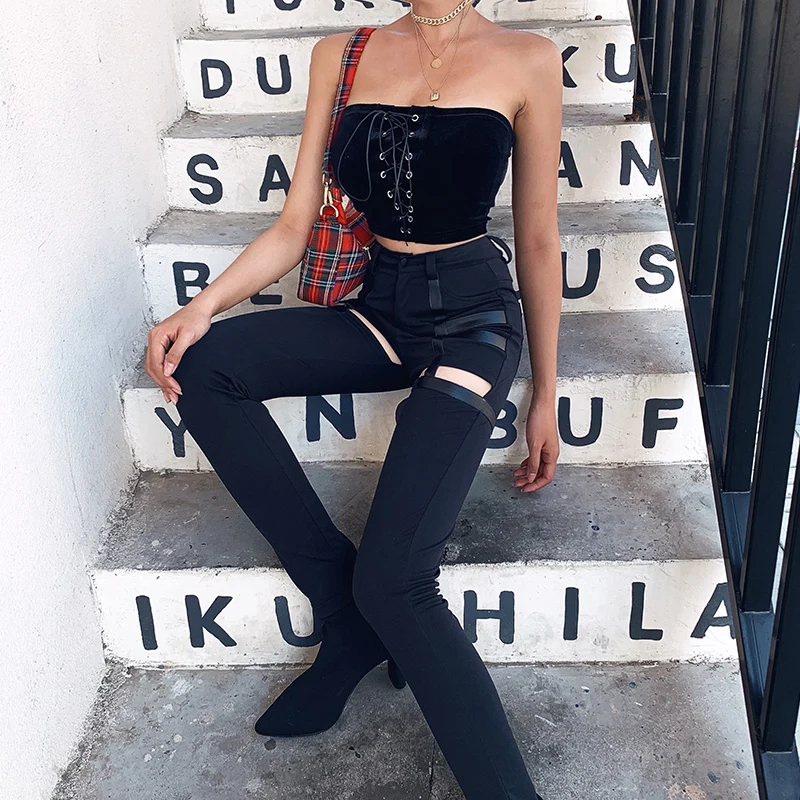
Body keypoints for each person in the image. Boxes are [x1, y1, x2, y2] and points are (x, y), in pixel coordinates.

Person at [145, 2, 562, 797]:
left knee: (396, 581)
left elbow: (539, 238)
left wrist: (546, 390)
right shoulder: (342, 53)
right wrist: (202, 309)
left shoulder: (528, 57)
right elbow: (294, 225)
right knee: (207, 367)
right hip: (382, 307)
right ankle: (346, 617)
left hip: (475, 319)